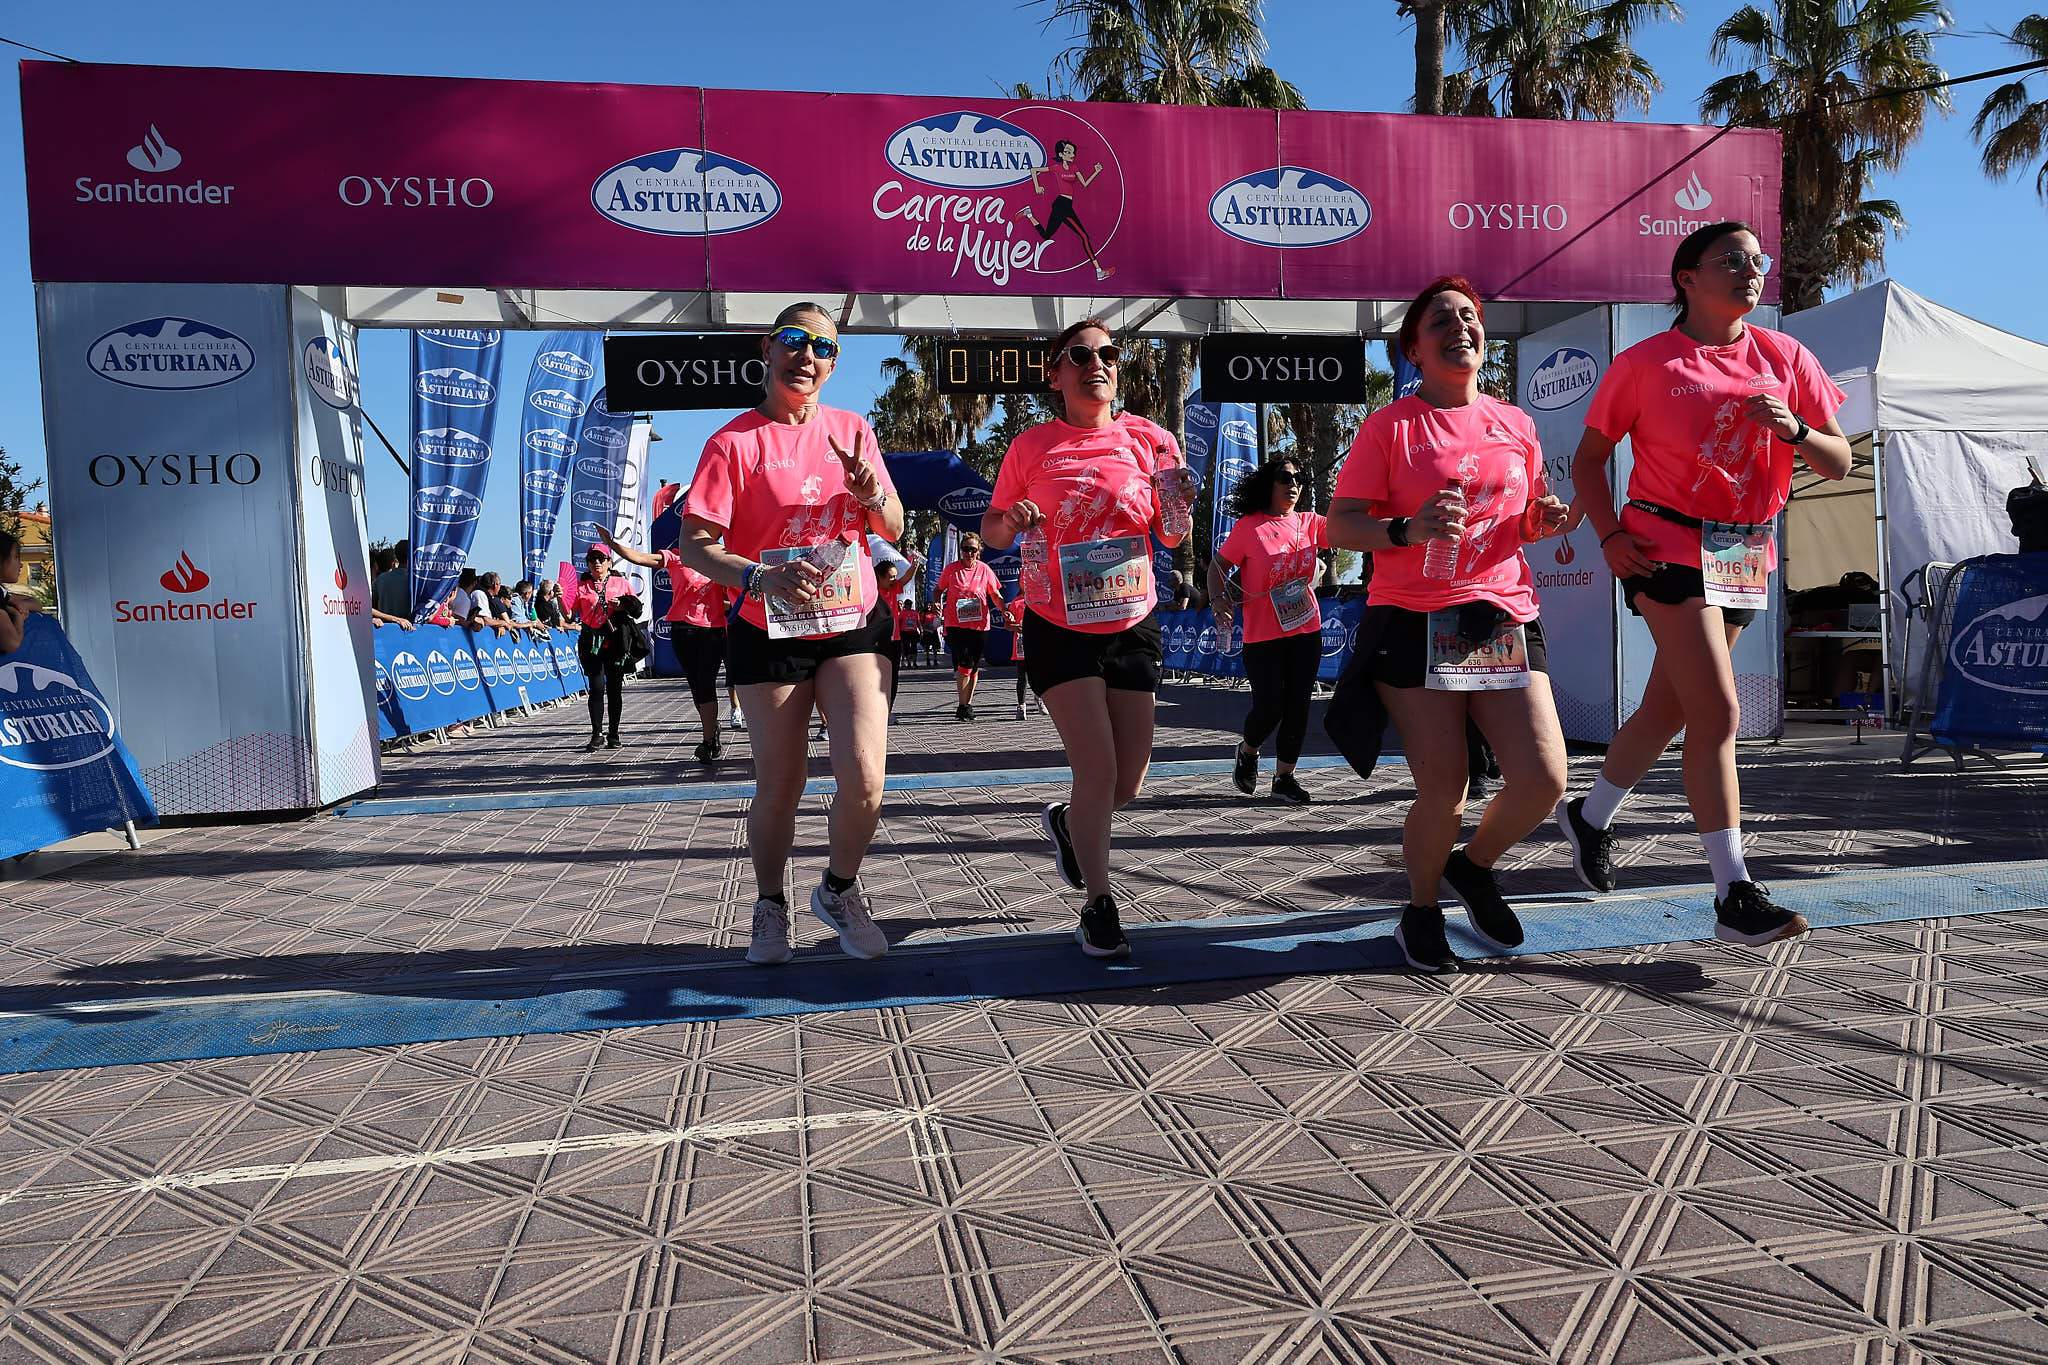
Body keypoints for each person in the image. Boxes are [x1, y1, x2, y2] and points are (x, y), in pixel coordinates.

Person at [1559, 221, 1851, 944]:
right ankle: (1733, 892)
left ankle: (1587, 815)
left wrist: (1793, 432)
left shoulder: (1785, 356)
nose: (1751, 271)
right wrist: (1610, 536)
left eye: (1759, 261)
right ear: (1687, 278)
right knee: (1718, 710)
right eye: (1731, 260)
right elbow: (1589, 459)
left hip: (1744, 551)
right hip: (1663, 543)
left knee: (1669, 711)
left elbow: (1839, 460)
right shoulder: (1645, 363)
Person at [1328, 275, 1572, 974]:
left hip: (1501, 612)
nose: (1461, 326)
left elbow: (1521, 517)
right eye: (1441, 320)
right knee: (1447, 787)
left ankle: (1474, 865)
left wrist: (1538, 519)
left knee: (1544, 778)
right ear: (1414, 348)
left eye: (1470, 315)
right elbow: (1341, 524)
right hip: (1412, 619)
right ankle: (1422, 906)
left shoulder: (1515, 422)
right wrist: (1406, 527)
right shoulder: (1391, 426)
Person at [677, 301, 905, 965]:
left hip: (851, 623)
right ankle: (770, 903)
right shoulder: (734, 443)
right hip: (765, 627)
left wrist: (871, 495)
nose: (807, 355)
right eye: (795, 341)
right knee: (782, 784)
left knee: (864, 776)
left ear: (834, 364)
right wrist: (756, 577)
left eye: (823, 347)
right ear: (767, 349)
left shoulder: (854, 431)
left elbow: (892, 526)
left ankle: (838, 889)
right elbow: (695, 547)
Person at [983, 317, 1192, 959]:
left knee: (1126, 782)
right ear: (1057, 375)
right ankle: (1100, 905)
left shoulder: (1150, 441)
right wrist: (1012, 519)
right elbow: (992, 533)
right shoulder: (1031, 447)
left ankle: (1070, 826)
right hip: (1059, 623)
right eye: (1080, 355)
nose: (1096, 364)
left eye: (1107, 354)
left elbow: (1173, 536)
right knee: (1096, 767)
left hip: (1132, 620)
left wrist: (1181, 502)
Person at [1210, 456, 1329, 805]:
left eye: (1299, 477)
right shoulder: (1250, 527)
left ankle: (1285, 777)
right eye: (1284, 477)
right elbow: (1218, 567)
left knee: (1298, 705)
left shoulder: (1310, 522)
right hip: (1262, 635)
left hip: (1306, 628)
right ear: (1269, 483)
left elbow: (1351, 528)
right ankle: (1248, 750)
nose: (1292, 484)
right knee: (1270, 706)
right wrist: (1218, 599)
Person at [600, 525, 729, 762]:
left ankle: (709, 741)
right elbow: (639, 557)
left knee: (706, 683)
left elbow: (736, 588)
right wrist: (612, 544)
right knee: (695, 685)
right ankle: (711, 728)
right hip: (683, 629)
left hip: (712, 629)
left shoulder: (723, 557)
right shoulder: (677, 557)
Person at [1017, 139, 1114, 282]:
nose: (1072, 154)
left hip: (1066, 205)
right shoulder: (1056, 168)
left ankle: (1028, 214)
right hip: (1061, 205)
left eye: (1073, 152)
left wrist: (1096, 172)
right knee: (1084, 237)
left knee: (1046, 236)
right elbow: (1034, 170)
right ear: (1061, 154)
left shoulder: (1074, 168)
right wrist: (1037, 186)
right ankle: (1099, 271)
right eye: (1068, 152)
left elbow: (1085, 184)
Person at [936, 533, 1007, 721]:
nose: (969, 553)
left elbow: (995, 595)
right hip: (956, 624)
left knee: (974, 666)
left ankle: (967, 705)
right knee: (965, 663)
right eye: (965, 549)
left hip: (980, 625)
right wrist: (936, 602)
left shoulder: (985, 570)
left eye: (973, 549)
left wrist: (1005, 610)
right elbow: (938, 590)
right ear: (961, 550)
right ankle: (962, 704)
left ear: (979, 551)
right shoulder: (951, 570)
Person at [574, 544, 634, 750]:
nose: (596, 563)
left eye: (601, 559)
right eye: (592, 560)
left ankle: (614, 733)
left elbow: (637, 610)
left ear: (609, 562)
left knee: (615, 690)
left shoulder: (622, 582)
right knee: (596, 689)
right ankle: (597, 733)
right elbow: (568, 614)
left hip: (615, 642)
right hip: (591, 643)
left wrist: (622, 604)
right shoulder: (581, 586)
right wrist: (560, 596)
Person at [0, 529, 33, 655]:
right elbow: (12, 643)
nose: (20, 565)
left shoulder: (2, 594)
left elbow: (35, 603)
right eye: (16, 557)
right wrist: (18, 616)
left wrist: (21, 605)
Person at [1005, 591, 1031, 718]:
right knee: (1022, 677)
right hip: (1020, 645)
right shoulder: (1016, 602)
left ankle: (1039, 699)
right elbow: (1007, 626)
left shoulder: (1039, 600)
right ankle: (1021, 706)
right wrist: (1016, 627)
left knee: (1038, 676)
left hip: (1037, 643)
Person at [371, 540, 412, 621]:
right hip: (412, 629)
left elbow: (369, 608)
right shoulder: (416, 582)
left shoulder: (380, 580)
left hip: (384, 630)